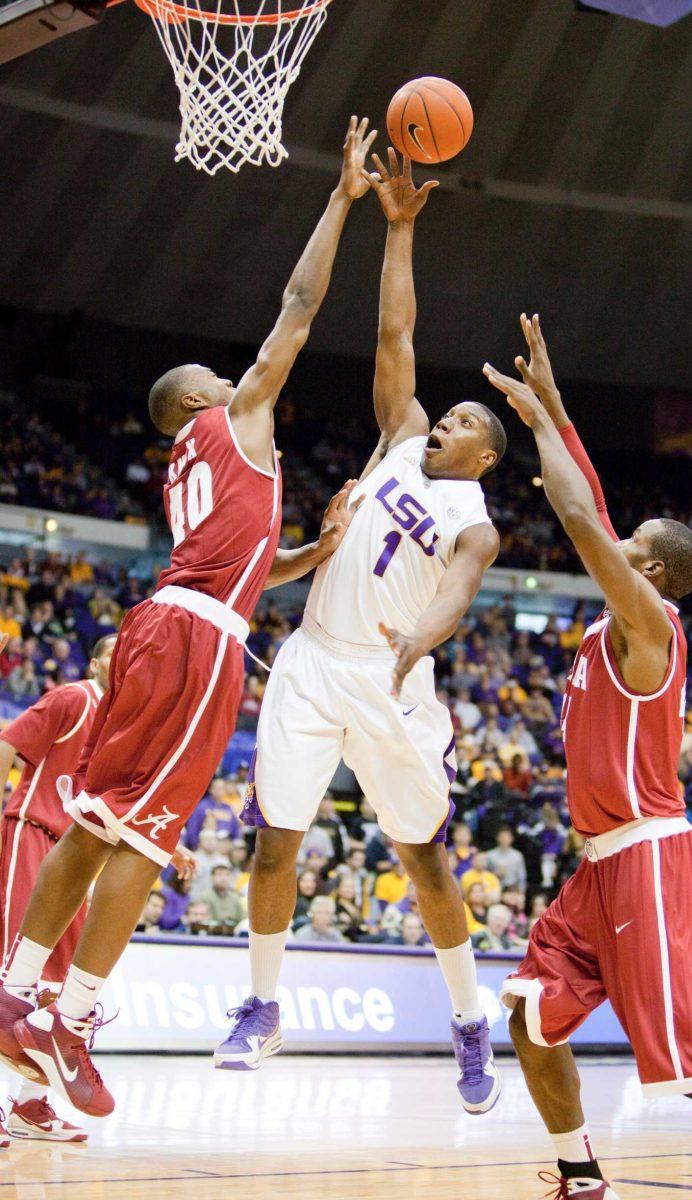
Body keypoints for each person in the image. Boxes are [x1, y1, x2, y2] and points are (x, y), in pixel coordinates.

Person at [0, 117, 377, 1120]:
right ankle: (74, 1017)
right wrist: (341, 198)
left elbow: (238, 572)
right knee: (144, 840)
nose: (239, 373)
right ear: (202, 398)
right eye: (224, 374)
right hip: (196, 641)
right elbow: (298, 306)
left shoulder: (193, 468)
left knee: (97, 815)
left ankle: (21, 990)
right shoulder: (232, 415)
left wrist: (312, 552)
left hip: (163, 621)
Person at [484, 314, 692, 1200]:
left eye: (630, 548)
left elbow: (580, 513)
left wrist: (544, 422)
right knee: (531, 1017)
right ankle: (582, 1174)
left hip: (651, 859)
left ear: (651, 575)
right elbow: (590, 501)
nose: (613, 545)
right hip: (598, 868)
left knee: (690, 1060)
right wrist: (551, 405)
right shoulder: (625, 618)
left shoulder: (650, 626)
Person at [217, 151, 506, 1115]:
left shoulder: (476, 518)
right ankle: (263, 1005)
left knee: (423, 857)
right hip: (310, 661)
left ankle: (469, 1023)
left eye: (463, 420)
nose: (445, 420)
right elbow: (396, 329)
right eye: (446, 411)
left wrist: (421, 640)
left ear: (484, 456)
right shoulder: (397, 435)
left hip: (394, 683)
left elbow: (459, 591)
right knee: (274, 842)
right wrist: (400, 225)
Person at [0, 636, 115, 1142]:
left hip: (73, 860)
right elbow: (8, 743)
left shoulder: (119, 725)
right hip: (31, 832)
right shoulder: (72, 697)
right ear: (96, 663)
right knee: (10, 974)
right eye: (117, 655)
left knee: (54, 986)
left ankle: (30, 1106)